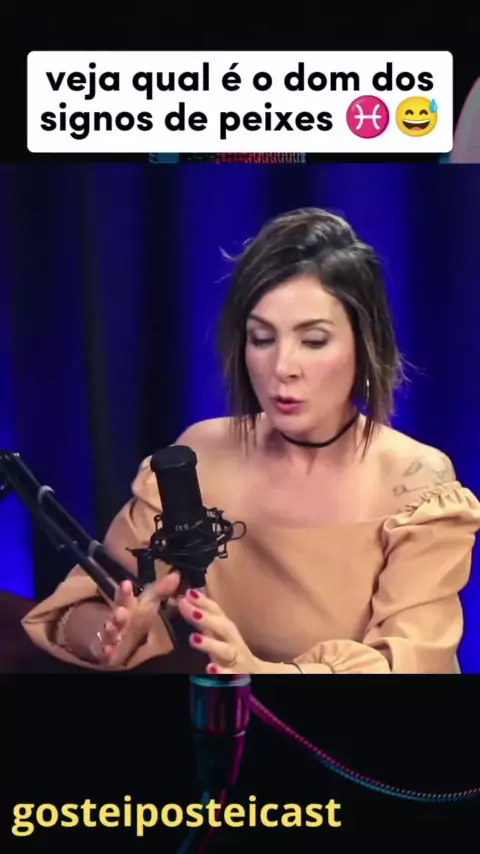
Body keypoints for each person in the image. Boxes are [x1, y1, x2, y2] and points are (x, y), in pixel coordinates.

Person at [21, 208, 480, 674]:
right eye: (262, 339)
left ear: (366, 345)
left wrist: (258, 671)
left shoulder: (419, 484)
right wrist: (109, 631)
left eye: (314, 341)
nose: (283, 367)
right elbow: (95, 597)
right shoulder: (199, 455)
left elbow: (410, 662)